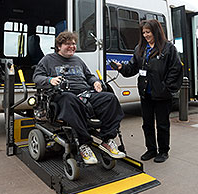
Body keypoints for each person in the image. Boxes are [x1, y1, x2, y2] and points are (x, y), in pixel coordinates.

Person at [33, 31, 125, 165]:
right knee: (69, 99)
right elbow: (36, 77)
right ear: (59, 46)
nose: (72, 47)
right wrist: (50, 80)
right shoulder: (48, 60)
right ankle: (83, 144)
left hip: (85, 93)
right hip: (63, 94)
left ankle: (107, 140)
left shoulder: (78, 60)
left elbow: (89, 76)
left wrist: (95, 82)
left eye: (74, 44)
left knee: (110, 98)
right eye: (68, 44)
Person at [113, 19, 183, 163]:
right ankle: (151, 149)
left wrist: (166, 88)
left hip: (162, 94)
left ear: (155, 31)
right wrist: (121, 68)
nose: (145, 35)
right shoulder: (140, 49)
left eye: (148, 32)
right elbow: (132, 68)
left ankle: (163, 151)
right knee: (147, 124)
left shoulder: (168, 48)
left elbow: (175, 70)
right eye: (143, 32)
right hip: (146, 93)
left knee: (162, 124)